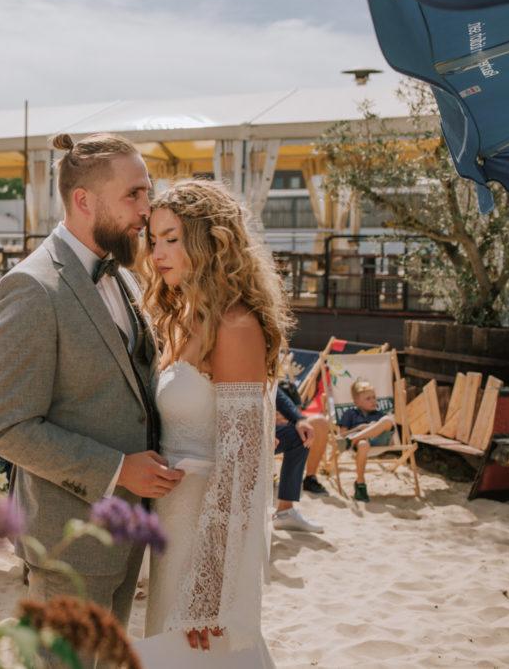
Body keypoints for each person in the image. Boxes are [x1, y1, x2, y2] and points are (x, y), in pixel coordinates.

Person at [0, 133, 180, 631]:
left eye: (147, 191)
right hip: (69, 544)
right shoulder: (30, 287)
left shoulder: (126, 275)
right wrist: (118, 470)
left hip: (129, 533)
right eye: (133, 194)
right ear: (83, 200)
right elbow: (8, 428)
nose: (147, 208)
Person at [142, 179, 292, 666]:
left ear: (210, 242)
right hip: (169, 531)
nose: (157, 254)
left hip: (204, 543)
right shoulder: (184, 318)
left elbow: (243, 467)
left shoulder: (236, 325)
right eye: (153, 240)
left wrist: (210, 588)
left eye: (172, 239)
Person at [272, 389, 324, 533]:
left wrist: (299, 419)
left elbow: (275, 390)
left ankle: (285, 512)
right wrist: (260, 429)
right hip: (225, 424)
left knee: (300, 435)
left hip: (260, 427)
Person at [339, 380, 396, 502]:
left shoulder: (379, 414)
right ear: (356, 402)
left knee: (387, 420)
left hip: (378, 440)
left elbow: (389, 433)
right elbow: (342, 435)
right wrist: (359, 428)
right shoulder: (350, 414)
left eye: (374, 397)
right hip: (361, 443)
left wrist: (372, 427)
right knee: (363, 444)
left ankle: (354, 439)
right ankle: (360, 484)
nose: (373, 401)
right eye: (368, 398)